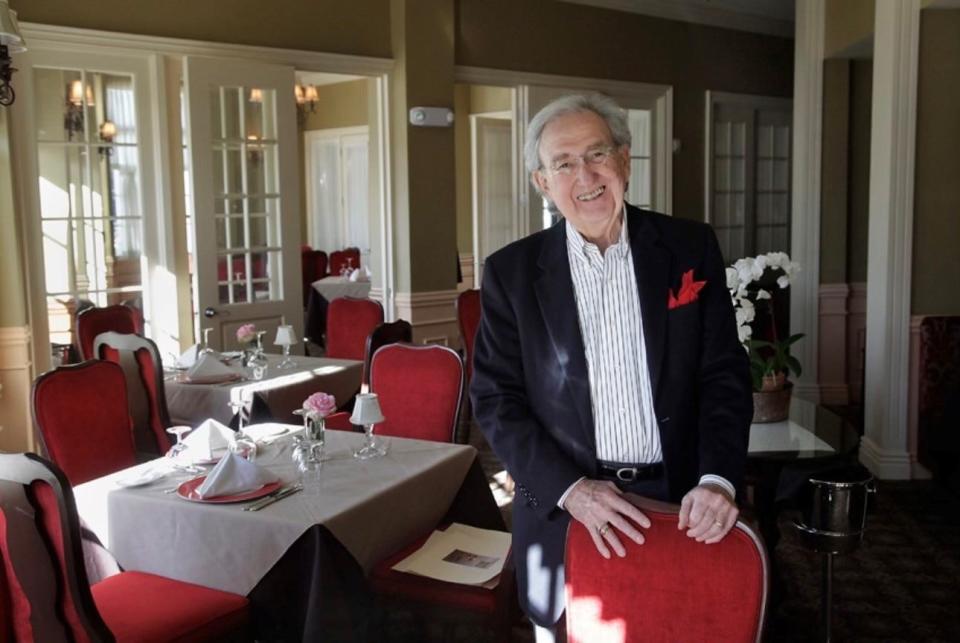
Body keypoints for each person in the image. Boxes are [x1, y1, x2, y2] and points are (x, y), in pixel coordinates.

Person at [470, 93, 753, 640]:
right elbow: (496, 399)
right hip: (567, 512)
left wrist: (717, 479)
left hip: (682, 505)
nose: (586, 174)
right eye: (564, 163)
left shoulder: (690, 247)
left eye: (598, 154)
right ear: (542, 183)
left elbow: (723, 375)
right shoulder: (510, 272)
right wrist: (571, 489)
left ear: (624, 160)